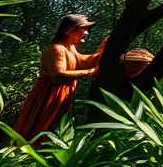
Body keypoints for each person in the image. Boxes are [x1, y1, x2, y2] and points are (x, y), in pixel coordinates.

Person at [12, 14, 103, 142]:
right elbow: (58, 75)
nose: (87, 33)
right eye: (83, 28)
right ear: (68, 30)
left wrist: (103, 50)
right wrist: (91, 72)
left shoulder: (70, 48)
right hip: (48, 97)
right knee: (41, 128)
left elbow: (83, 62)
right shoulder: (57, 49)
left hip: (62, 97)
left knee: (56, 128)